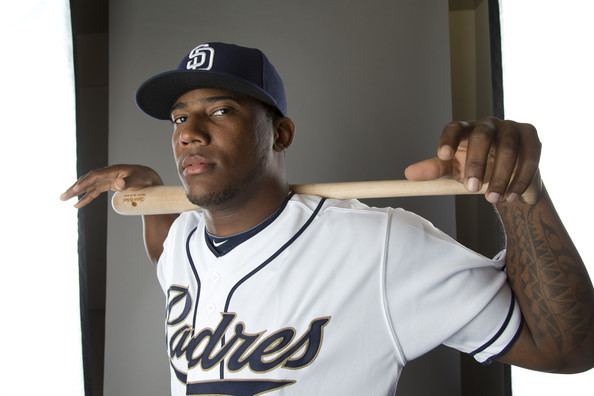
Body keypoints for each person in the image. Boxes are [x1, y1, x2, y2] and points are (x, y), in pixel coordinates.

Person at [61, 42, 593, 395]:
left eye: (220, 111)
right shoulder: (181, 243)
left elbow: (566, 349)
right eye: (180, 118)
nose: (188, 132)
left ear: (282, 133)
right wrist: (152, 194)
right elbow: (167, 251)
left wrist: (522, 196)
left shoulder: (377, 246)